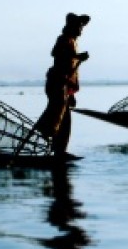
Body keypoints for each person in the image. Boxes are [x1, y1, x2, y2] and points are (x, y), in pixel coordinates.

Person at [36, 13, 91, 155]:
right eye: (79, 27)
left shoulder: (73, 41)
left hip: (65, 86)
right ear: (72, 27)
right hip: (57, 83)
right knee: (56, 113)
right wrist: (77, 56)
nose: (81, 30)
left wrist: (71, 94)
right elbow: (56, 53)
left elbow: (71, 71)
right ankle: (45, 132)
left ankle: (59, 151)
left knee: (65, 121)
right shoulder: (64, 39)